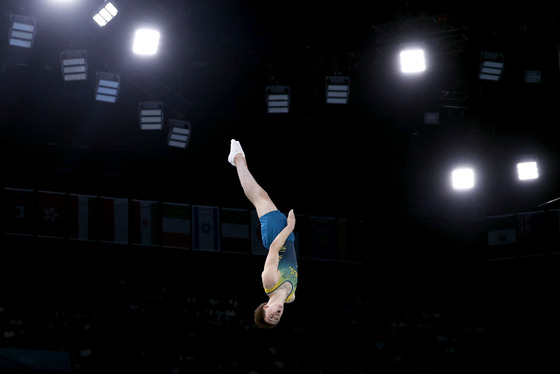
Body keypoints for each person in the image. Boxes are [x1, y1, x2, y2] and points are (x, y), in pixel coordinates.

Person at [228, 139, 298, 328]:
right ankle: (239, 160)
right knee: (260, 195)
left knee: (259, 197)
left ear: (266, 307)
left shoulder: (269, 282)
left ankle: (237, 159)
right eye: (277, 320)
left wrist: (289, 227)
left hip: (277, 237)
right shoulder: (291, 297)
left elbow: (274, 248)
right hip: (288, 239)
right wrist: (289, 233)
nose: (276, 316)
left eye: (271, 316)